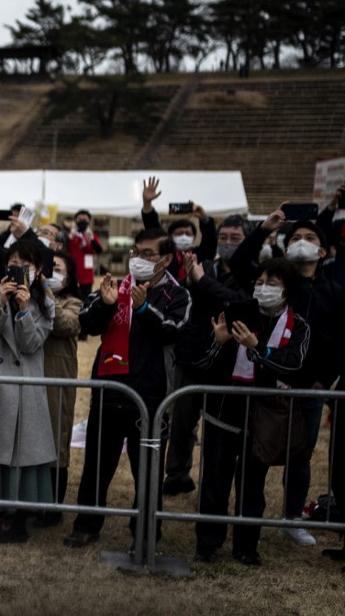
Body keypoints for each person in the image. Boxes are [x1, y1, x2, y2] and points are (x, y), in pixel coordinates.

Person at [63, 228, 191, 550]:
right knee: (96, 464)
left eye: (148, 254)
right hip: (110, 390)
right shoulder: (116, 287)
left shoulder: (178, 295)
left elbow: (171, 332)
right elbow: (87, 324)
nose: (139, 259)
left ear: (166, 259)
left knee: (147, 471)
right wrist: (106, 306)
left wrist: (145, 309)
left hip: (151, 397)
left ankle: (146, 530)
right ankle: (87, 523)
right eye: (136, 252)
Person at [229, 205, 345, 547]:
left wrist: (324, 380)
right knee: (256, 452)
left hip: (309, 387)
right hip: (266, 380)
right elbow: (238, 265)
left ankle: (292, 517)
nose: (302, 243)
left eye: (310, 238)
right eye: (295, 237)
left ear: (322, 251)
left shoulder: (336, 292)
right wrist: (264, 228)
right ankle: (247, 517)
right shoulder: (277, 281)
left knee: (301, 454)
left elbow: (341, 342)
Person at [192, 258, 310, 565]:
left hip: (265, 416)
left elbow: (294, 362)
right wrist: (218, 342)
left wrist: (259, 348)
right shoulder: (237, 313)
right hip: (224, 410)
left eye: (273, 284)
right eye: (260, 282)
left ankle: (246, 546)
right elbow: (202, 363)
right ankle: (207, 542)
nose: (264, 289)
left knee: (252, 486)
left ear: (287, 291)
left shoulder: (298, 325)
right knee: (215, 480)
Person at [163, 215, 252, 497]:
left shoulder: (250, 274)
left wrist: (201, 283)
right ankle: (177, 474)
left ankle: (212, 490)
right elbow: (190, 302)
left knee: (217, 433)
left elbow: (236, 301)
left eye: (234, 238)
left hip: (226, 365)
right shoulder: (205, 267)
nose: (227, 243)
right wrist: (191, 282)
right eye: (223, 237)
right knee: (181, 421)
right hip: (192, 355)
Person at [0, 240, 56, 544]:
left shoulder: (45, 303)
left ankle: (20, 519)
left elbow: (31, 345)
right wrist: (0, 305)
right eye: (14, 262)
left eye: (27, 263)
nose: (20, 268)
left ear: (37, 269)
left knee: (23, 454)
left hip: (25, 388)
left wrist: (23, 310)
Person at [41, 250, 82, 526]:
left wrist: (46, 293)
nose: (49, 273)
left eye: (56, 269)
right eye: (46, 267)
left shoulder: (74, 302)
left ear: (68, 277)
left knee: (56, 439)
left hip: (58, 374)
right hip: (32, 373)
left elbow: (64, 324)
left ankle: (54, 506)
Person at [140, 176, 217, 281]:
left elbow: (210, 239)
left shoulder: (201, 254)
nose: (184, 236)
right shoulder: (166, 257)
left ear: (194, 237)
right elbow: (154, 229)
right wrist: (147, 204)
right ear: (170, 237)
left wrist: (205, 219)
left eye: (188, 233)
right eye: (179, 233)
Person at [67, 209, 102, 303]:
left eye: (85, 219)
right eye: (79, 219)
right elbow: (64, 248)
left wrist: (91, 239)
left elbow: (99, 250)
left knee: (86, 299)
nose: (82, 221)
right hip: (72, 274)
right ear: (75, 221)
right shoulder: (71, 236)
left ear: (89, 222)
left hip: (87, 275)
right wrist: (71, 235)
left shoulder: (92, 236)